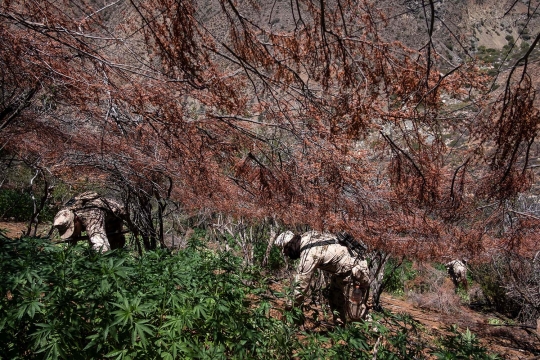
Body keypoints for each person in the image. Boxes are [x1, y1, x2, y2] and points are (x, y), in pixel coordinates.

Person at [275, 230, 370, 325]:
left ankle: (376, 332)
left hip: (353, 272)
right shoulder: (309, 236)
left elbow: (300, 287)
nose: (288, 255)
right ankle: (340, 330)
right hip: (341, 273)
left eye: (286, 251)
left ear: (289, 245)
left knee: (356, 312)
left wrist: (289, 307)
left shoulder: (309, 254)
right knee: (335, 300)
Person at [53, 191, 127, 252]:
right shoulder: (67, 212)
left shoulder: (92, 217)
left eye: (73, 230)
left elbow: (101, 246)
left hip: (113, 219)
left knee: (113, 247)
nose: (74, 233)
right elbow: (71, 240)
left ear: (76, 220)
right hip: (99, 217)